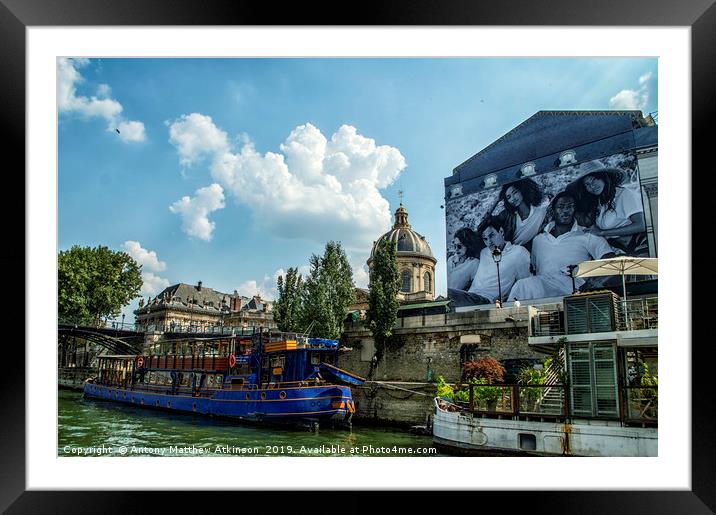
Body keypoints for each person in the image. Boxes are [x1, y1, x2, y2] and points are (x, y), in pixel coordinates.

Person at [508, 191, 616, 300]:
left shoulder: (587, 235)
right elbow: (535, 270)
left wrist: (594, 282)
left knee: (523, 286)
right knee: (523, 287)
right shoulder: (538, 240)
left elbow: (611, 260)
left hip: (574, 289)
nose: (566, 210)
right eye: (561, 206)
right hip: (543, 292)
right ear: (553, 210)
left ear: (575, 210)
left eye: (570, 206)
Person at [448, 217, 531, 306]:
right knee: (441, 295)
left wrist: (506, 299)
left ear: (501, 232)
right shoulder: (484, 252)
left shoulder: (518, 252)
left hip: (486, 300)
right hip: (470, 296)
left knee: (445, 295)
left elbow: (524, 283)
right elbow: (468, 243)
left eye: (491, 235)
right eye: (485, 239)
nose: (489, 242)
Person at [568, 162, 647, 255]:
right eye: (587, 184)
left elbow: (641, 225)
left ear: (604, 177)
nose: (592, 186)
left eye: (594, 180)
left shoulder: (624, 194)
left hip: (640, 244)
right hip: (618, 249)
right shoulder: (599, 203)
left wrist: (603, 232)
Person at [496, 178, 548, 252]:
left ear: (522, 190)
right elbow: (485, 224)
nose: (512, 198)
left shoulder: (540, 212)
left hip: (528, 251)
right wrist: (497, 201)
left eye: (515, 192)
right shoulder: (507, 215)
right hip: (507, 252)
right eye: (508, 197)